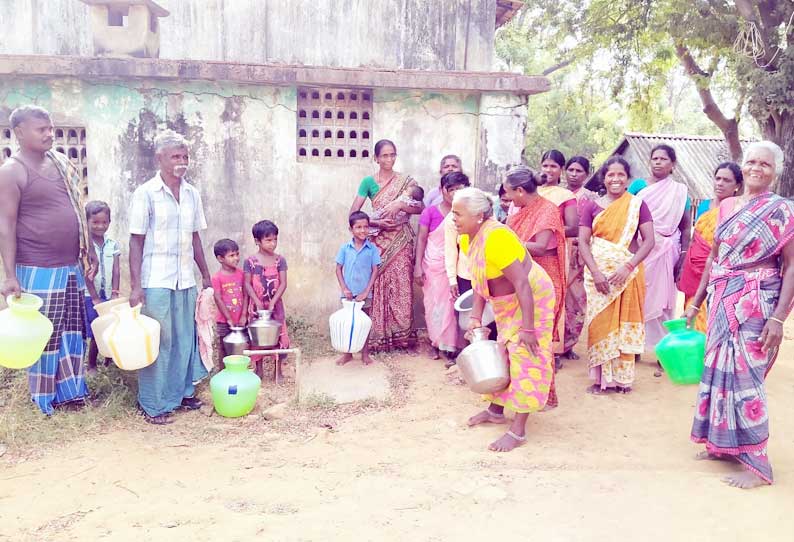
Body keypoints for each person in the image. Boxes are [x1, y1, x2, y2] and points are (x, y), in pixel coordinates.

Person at [685, 141, 794, 489]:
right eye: (751, 162)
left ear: (775, 171)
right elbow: (717, 258)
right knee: (718, 370)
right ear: (742, 166)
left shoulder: (781, 210)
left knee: (747, 374)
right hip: (721, 296)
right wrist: (695, 301)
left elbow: (791, 265)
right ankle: (722, 444)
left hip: (758, 299)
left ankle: (758, 465)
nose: (756, 168)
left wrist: (778, 318)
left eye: (765, 164)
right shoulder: (729, 204)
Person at [0, 105, 96, 414]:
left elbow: (78, 210)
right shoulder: (12, 171)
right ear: (19, 132)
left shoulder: (60, 162)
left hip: (69, 266)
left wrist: (89, 248)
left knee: (72, 330)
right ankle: (44, 399)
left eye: (50, 127)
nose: (49, 134)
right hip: (38, 268)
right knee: (45, 334)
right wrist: (10, 275)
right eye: (41, 129)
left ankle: (72, 393)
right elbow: (6, 225)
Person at [453, 188, 555, 452]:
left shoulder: (497, 238)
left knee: (526, 355)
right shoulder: (467, 238)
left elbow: (522, 283)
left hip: (532, 298)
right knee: (503, 351)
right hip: (508, 302)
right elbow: (480, 279)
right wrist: (476, 316)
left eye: (457, 213)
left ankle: (518, 431)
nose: (453, 217)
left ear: (478, 216)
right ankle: (496, 410)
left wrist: (529, 328)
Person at [129, 130, 211, 425]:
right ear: (159, 158)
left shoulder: (192, 193)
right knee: (159, 342)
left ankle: (182, 393)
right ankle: (153, 404)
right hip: (156, 281)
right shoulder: (146, 193)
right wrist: (136, 285)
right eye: (175, 156)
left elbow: (195, 237)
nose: (182, 161)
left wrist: (206, 275)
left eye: (185, 156)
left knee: (184, 339)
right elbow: (136, 241)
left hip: (184, 280)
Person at [578, 157, 655, 394]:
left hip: (627, 275)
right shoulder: (591, 206)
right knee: (600, 323)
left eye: (621, 175)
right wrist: (596, 272)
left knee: (623, 325)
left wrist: (628, 266)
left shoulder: (637, 205)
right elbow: (582, 241)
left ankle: (622, 380)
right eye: (611, 174)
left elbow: (649, 241)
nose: (615, 179)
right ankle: (601, 379)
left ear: (627, 178)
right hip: (598, 277)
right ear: (604, 177)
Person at [349, 139, 422, 351]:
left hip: (401, 241)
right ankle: (379, 337)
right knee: (378, 286)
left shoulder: (406, 182)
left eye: (392, 155)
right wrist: (376, 222)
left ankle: (402, 338)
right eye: (384, 155)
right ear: (376, 158)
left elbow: (420, 207)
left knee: (401, 287)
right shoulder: (368, 183)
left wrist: (401, 204)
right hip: (378, 240)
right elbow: (354, 215)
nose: (388, 159)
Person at [504, 166, 565, 409]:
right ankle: (516, 391)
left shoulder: (547, 210)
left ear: (521, 190)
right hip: (520, 277)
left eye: (509, 193)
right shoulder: (520, 210)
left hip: (543, 280)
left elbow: (540, 246)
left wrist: (506, 241)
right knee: (516, 336)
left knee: (537, 338)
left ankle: (541, 395)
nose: (507, 198)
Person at [627, 144, 692, 369]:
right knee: (636, 296)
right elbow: (626, 217)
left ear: (672, 164)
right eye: (654, 158)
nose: (657, 162)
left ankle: (663, 351)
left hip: (667, 250)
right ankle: (633, 347)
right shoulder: (638, 186)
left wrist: (683, 255)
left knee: (664, 301)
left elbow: (685, 227)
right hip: (640, 249)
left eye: (663, 159)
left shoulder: (679, 191)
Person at [677, 163, 743, 333]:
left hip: (718, 271)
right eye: (718, 178)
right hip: (694, 269)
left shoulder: (738, 209)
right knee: (691, 312)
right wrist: (684, 266)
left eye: (726, 180)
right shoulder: (704, 205)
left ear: (737, 186)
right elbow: (695, 239)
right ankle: (692, 354)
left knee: (712, 316)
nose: (720, 183)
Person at [414, 172, 468, 362]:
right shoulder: (429, 212)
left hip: (457, 266)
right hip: (433, 265)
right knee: (434, 305)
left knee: (453, 306)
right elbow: (421, 239)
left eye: (459, 189)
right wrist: (417, 267)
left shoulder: (467, 212)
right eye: (450, 189)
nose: (454, 193)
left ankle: (452, 346)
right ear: (441, 190)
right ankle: (436, 343)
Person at [244, 220, 290, 382]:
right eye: (268, 240)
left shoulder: (280, 260)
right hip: (256, 307)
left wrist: (272, 302)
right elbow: (247, 284)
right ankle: (259, 370)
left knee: (279, 337)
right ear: (257, 241)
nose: (273, 244)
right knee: (257, 338)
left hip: (275, 306)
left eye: (275, 239)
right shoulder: (250, 261)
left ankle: (278, 372)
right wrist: (257, 301)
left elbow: (283, 283)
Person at [562, 156, 598, 358]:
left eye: (579, 171)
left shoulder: (591, 199)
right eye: (571, 170)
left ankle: (570, 344)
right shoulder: (557, 195)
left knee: (577, 300)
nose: (574, 174)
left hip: (580, 252)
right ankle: (557, 344)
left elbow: (594, 229)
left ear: (587, 174)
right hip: (559, 249)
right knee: (557, 298)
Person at [335, 211, 381, 366]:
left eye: (366, 227)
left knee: (364, 323)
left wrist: (366, 292)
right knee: (348, 323)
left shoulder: (372, 249)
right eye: (358, 227)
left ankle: (365, 354)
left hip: (364, 294)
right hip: (347, 293)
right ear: (351, 229)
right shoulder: (345, 248)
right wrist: (344, 288)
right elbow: (338, 269)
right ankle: (347, 354)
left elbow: (375, 270)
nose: (363, 230)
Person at [84, 200, 121, 374]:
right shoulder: (85, 246)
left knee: (111, 326)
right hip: (90, 296)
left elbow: (116, 270)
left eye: (104, 222)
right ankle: (91, 364)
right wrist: (94, 297)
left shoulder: (112, 244)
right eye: (95, 222)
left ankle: (109, 359)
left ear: (109, 222)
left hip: (107, 294)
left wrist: (114, 292)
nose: (100, 226)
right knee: (96, 329)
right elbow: (86, 273)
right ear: (87, 222)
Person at [211, 238, 247, 367]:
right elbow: (218, 298)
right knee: (224, 347)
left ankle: (241, 369)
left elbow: (245, 294)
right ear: (220, 258)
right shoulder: (217, 278)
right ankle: (223, 372)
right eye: (231, 255)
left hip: (241, 320)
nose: (236, 258)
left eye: (237, 254)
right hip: (224, 321)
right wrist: (228, 318)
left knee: (241, 346)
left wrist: (244, 315)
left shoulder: (242, 274)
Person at [538, 150, 578, 238]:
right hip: (526, 245)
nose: (548, 170)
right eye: (545, 166)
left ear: (562, 169)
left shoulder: (566, 196)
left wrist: (541, 232)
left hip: (554, 248)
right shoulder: (531, 191)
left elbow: (573, 229)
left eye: (553, 166)